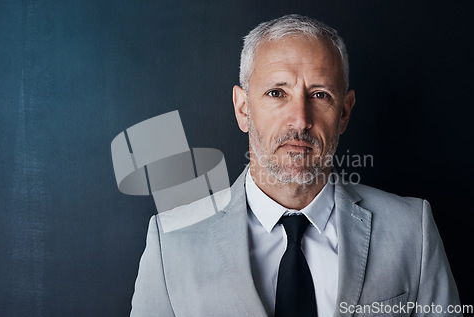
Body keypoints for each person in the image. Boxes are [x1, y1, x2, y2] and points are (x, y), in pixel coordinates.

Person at [130, 14, 462, 317]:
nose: (300, 120)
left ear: (344, 112)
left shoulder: (412, 231)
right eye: (277, 93)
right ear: (243, 109)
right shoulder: (170, 241)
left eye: (319, 95)